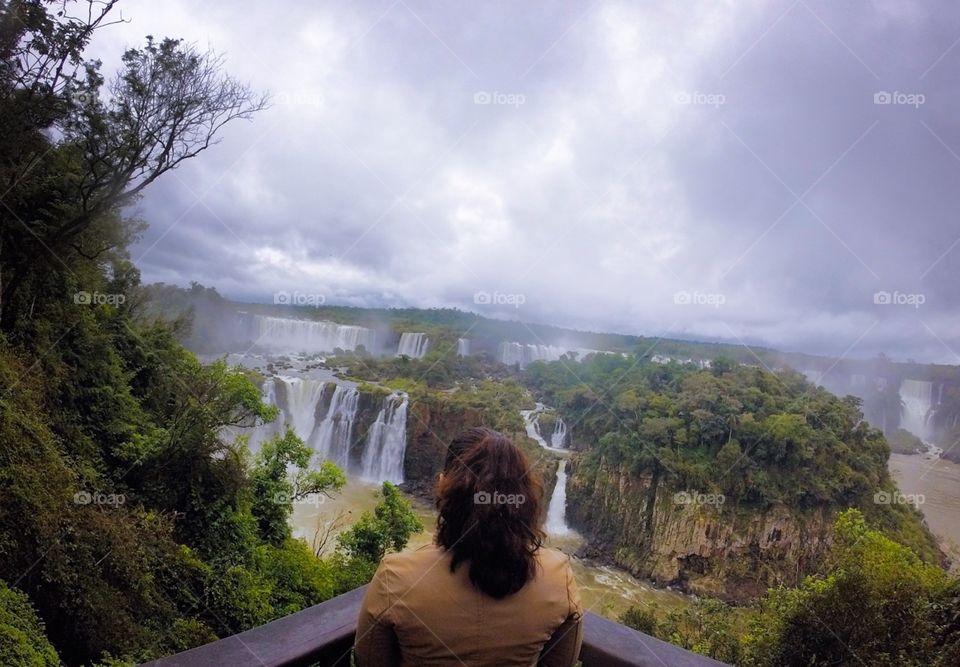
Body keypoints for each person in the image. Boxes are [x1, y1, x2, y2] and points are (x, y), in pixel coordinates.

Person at [354, 427, 583, 666]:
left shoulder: (396, 576)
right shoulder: (559, 577)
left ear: (444, 486)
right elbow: (561, 662)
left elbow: (369, 660)